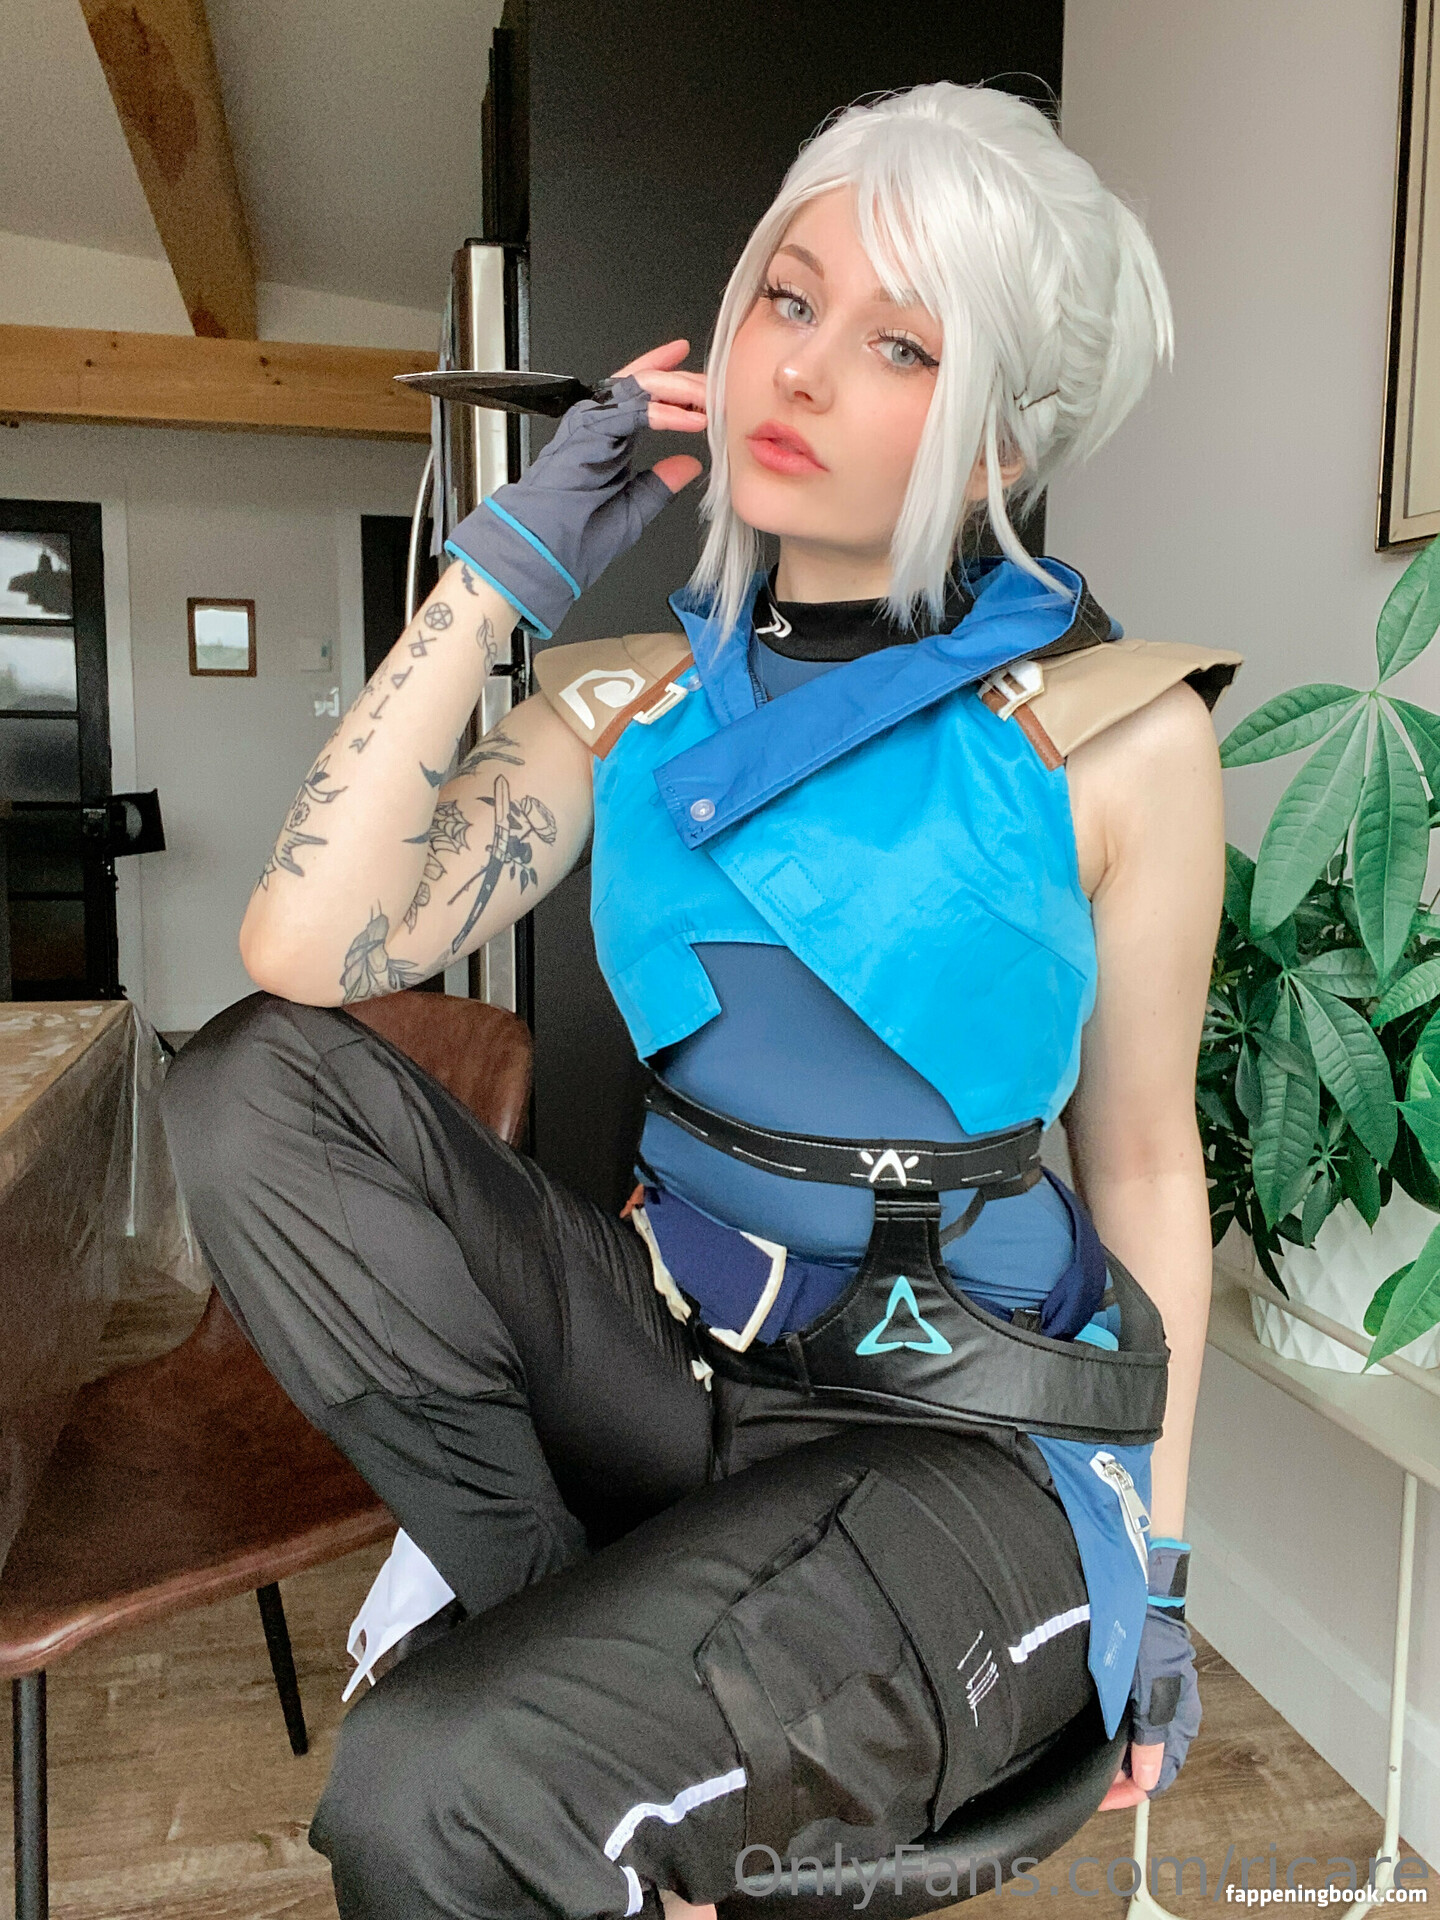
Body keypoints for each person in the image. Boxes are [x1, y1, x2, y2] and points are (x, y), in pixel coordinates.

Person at [163, 81, 1238, 1920]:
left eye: (900, 344)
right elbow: (307, 948)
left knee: (424, 1800)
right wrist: (505, 561)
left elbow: (1145, 1169)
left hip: (962, 1440)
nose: (798, 368)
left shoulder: (1116, 736)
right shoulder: (627, 700)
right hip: (678, 1369)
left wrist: (1171, 1566)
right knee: (253, 1083)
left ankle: (519, 1742)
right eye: (787, 300)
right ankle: (542, 1629)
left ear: (997, 437)